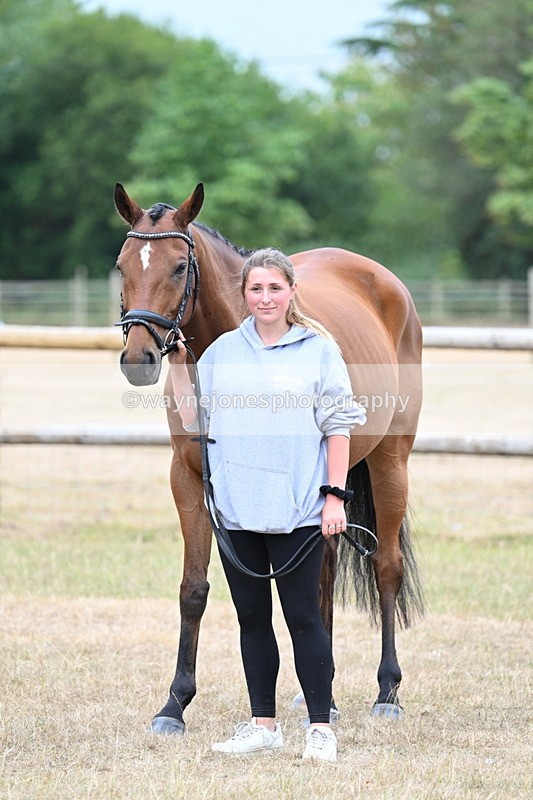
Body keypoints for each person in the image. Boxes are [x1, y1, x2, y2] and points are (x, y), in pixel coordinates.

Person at [168, 248, 366, 761]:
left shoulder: (318, 350)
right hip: (237, 510)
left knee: (304, 619)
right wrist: (175, 362)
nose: (265, 298)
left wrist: (335, 497)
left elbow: (337, 426)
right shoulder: (223, 353)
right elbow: (193, 415)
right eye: (255, 289)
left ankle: (320, 726)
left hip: (299, 508)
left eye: (274, 288)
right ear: (244, 295)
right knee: (252, 620)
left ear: (291, 291)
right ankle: (264, 724)